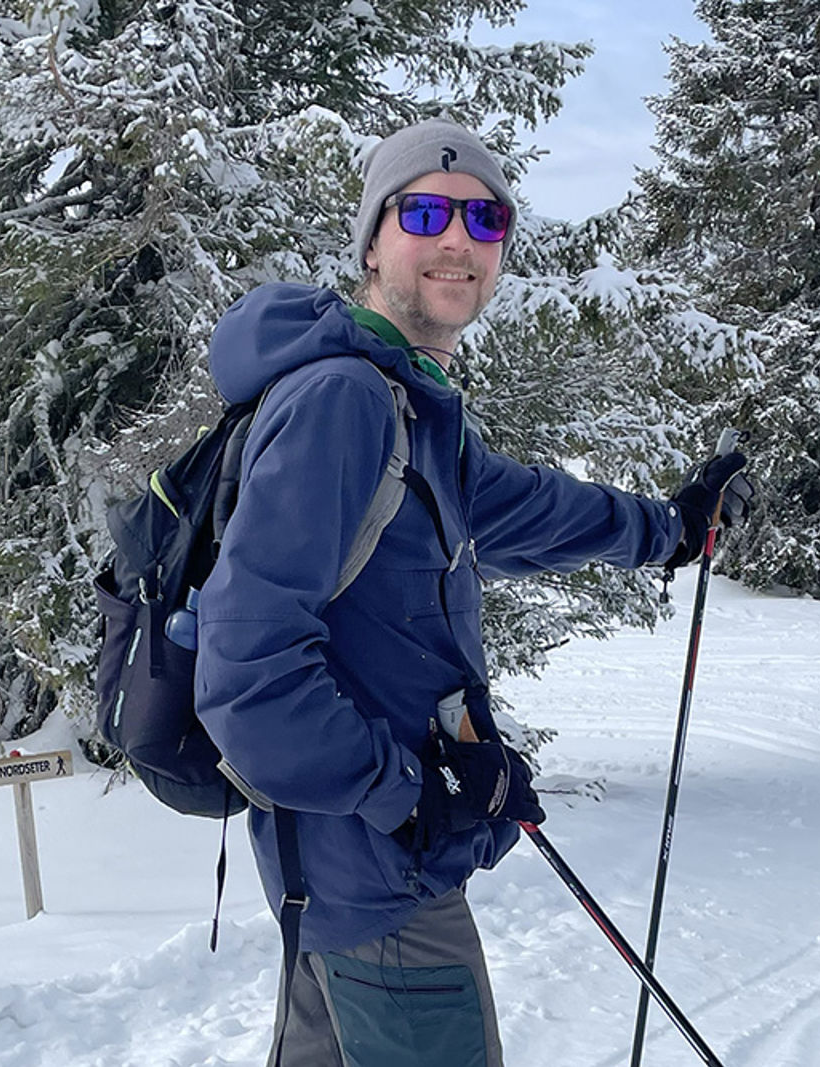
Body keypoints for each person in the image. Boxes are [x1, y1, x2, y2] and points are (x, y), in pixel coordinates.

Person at [194, 119, 751, 1067]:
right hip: (379, 886)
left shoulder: (407, 405)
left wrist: (671, 531)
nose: (458, 240)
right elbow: (245, 673)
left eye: (485, 220)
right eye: (424, 212)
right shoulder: (347, 402)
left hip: (334, 882)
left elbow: (529, 509)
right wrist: (411, 796)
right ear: (374, 242)